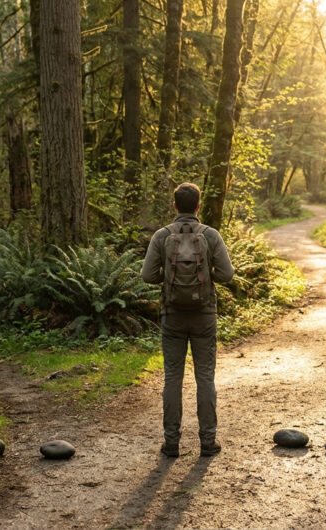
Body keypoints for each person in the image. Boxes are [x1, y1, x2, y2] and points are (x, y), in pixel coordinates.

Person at [141, 183, 234, 457]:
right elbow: (227, 274)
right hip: (204, 315)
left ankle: (171, 443)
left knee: (172, 379)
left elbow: (147, 275)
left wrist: (168, 281)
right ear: (198, 206)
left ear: (174, 206)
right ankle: (208, 442)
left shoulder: (161, 236)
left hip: (172, 316)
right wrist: (206, 276)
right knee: (205, 378)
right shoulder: (211, 235)